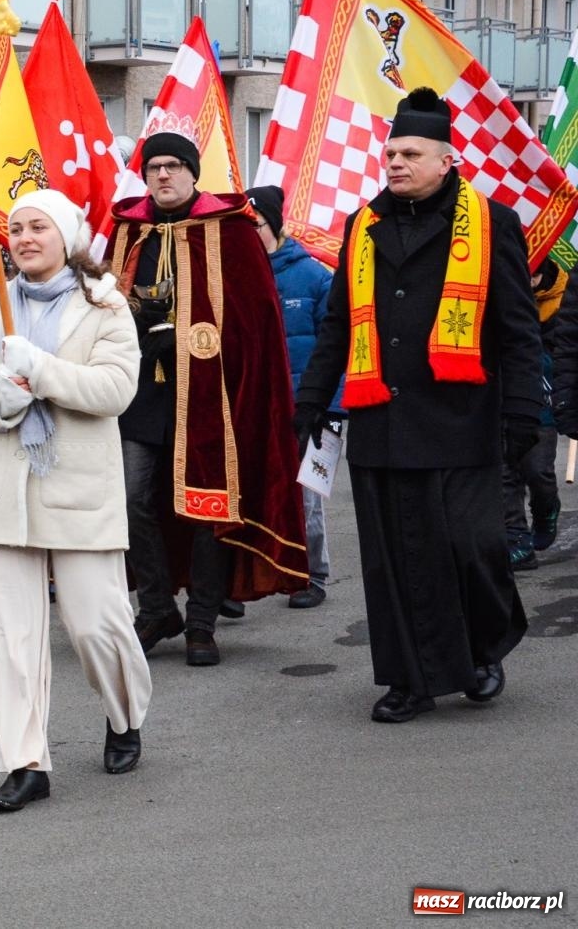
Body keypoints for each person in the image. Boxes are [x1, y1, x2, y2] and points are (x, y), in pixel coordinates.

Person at [296, 87, 542, 723]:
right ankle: (408, 679)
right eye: (390, 154)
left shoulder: (492, 224)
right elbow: (338, 326)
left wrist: (522, 412)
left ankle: (484, 647)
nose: (396, 163)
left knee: (471, 545)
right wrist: (310, 402)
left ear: (446, 160)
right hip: (381, 418)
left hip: (461, 420)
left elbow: (518, 329)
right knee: (395, 558)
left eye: (409, 154)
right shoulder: (363, 225)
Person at [0, 190, 151, 813]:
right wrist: (2, 399)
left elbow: (115, 390)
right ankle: (25, 762)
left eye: (39, 227)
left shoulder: (105, 303)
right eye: (16, 229)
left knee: (95, 623)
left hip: (79, 489)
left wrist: (39, 371)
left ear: (67, 237)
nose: (25, 238)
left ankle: (123, 713)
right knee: (15, 637)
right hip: (4, 494)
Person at [108, 132, 308, 667]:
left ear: (193, 173)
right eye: (154, 167)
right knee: (132, 498)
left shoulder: (231, 229)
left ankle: (201, 620)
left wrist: (192, 335)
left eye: (174, 166)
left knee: (205, 505)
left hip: (209, 394)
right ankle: (156, 609)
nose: (163, 175)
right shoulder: (128, 231)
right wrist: (134, 322)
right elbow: (102, 306)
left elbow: (255, 320)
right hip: (140, 394)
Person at [249, 185, 342, 609]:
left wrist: (331, 409)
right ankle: (246, 578)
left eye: (256, 225)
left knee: (306, 496)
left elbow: (336, 346)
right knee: (251, 493)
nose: (250, 234)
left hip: (310, 408)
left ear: (275, 224)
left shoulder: (315, 277)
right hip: (256, 406)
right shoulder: (234, 275)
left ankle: (312, 575)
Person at [503, 259, 564, 571]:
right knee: (505, 475)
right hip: (504, 402)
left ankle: (546, 510)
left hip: (542, 405)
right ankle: (517, 540)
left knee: (538, 472)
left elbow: (565, 353)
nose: (528, 281)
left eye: (534, 275)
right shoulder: (504, 296)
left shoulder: (560, 305)